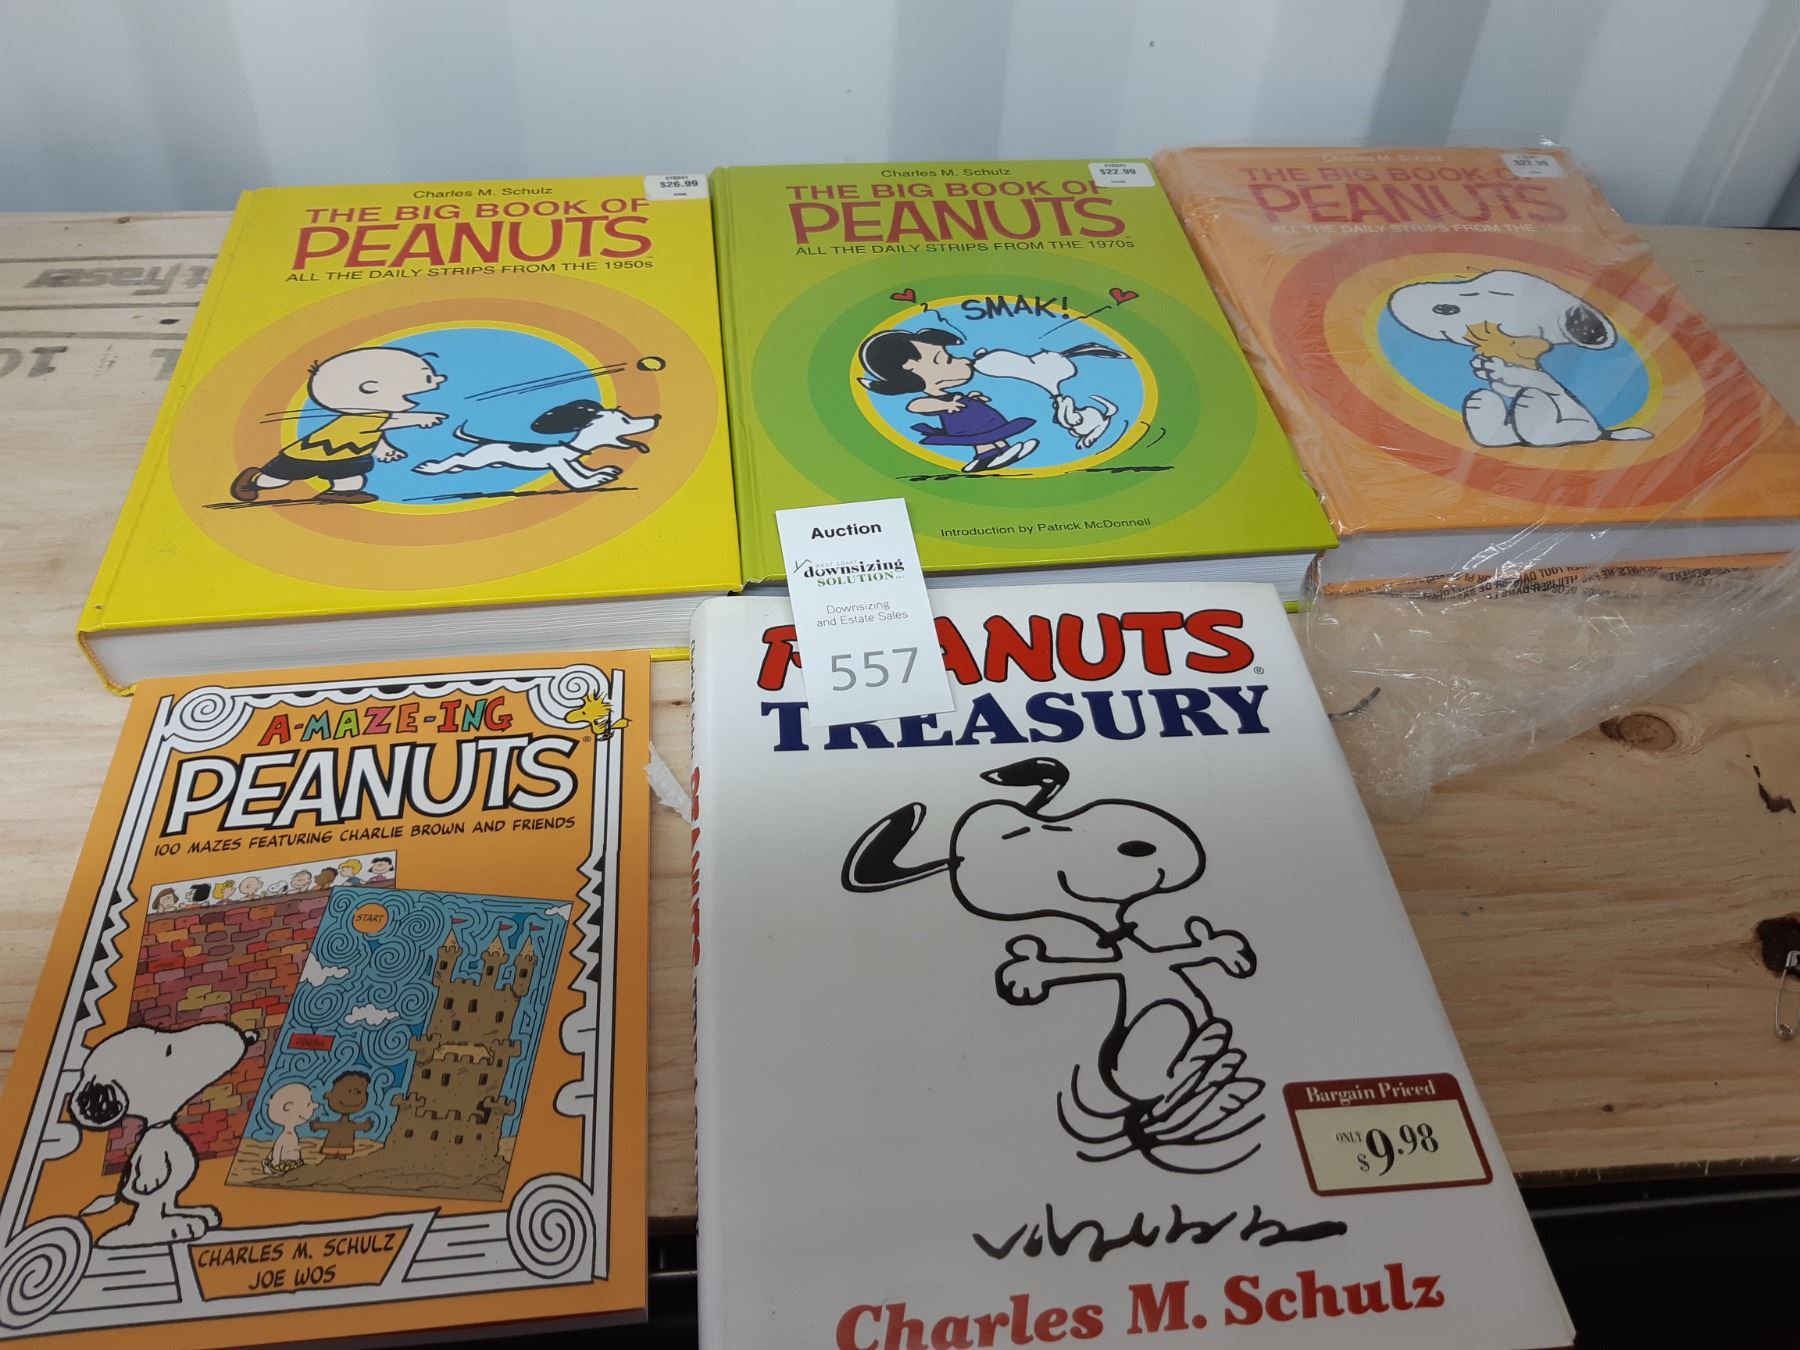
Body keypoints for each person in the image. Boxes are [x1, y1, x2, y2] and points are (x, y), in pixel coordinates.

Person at [229, 347, 446, 504]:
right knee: (277, 480)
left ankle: (341, 493)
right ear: (370, 388)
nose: (440, 379)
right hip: (308, 456)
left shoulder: (375, 416)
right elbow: (389, 422)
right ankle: (254, 480)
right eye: (427, 379)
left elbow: (376, 433)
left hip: (349, 456)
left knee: (351, 479)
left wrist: (385, 450)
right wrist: (421, 418)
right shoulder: (362, 417)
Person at [858, 327, 1038, 474]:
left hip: (983, 421)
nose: (966, 361)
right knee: (983, 439)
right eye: (948, 360)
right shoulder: (935, 398)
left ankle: (1004, 452)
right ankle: (989, 457)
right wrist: (946, 405)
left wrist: (972, 398)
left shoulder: (952, 393)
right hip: (968, 426)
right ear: (910, 367)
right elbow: (915, 405)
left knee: (993, 435)